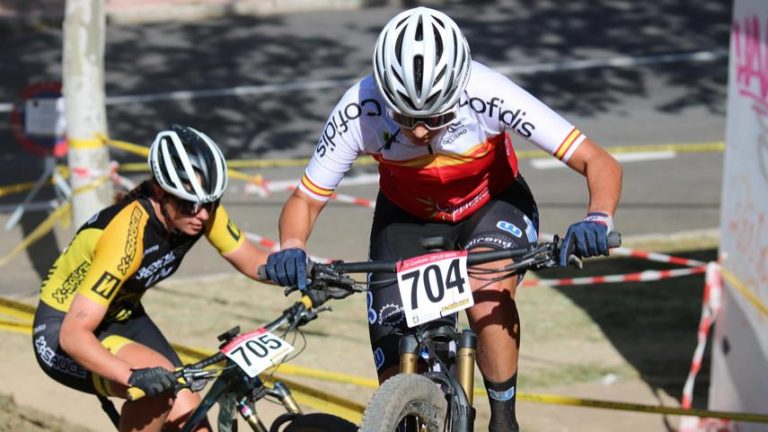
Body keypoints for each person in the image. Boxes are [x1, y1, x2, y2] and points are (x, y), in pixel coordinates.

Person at [265, 7, 622, 431]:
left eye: (434, 118)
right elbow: (305, 200)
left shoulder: (487, 90)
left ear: (457, 90)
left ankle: (504, 419)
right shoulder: (359, 107)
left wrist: (597, 218)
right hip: (407, 221)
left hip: (492, 206)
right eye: (404, 117)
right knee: (395, 379)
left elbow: (597, 161)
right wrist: (292, 246)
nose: (418, 132)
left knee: (485, 285)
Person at [32, 125, 271, 432]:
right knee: (155, 393)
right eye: (190, 204)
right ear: (160, 193)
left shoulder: (199, 210)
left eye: (211, 204)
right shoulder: (126, 238)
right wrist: (130, 376)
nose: (202, 215)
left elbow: (253, 261)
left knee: (195, 425)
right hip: (65, 330)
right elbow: (73, 335)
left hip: (122, 315)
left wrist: (308, 272)